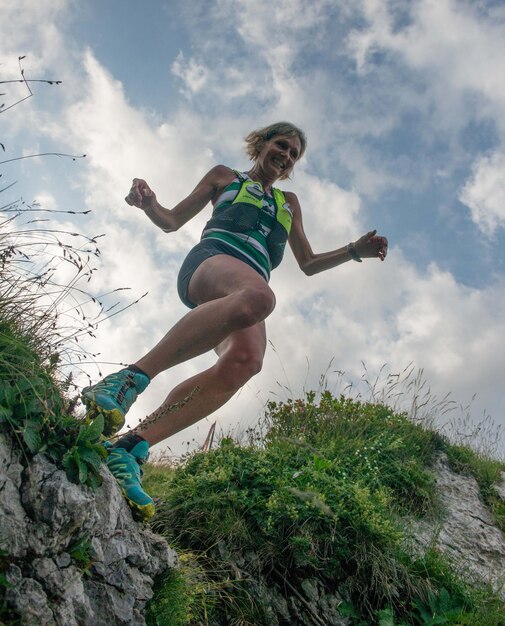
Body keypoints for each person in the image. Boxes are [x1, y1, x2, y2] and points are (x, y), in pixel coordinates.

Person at [82, 122, 388, 520]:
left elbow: (308, 264)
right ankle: (126, 381)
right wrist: (148, 203)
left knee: (244, 362)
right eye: (282, 145)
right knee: (259, 298)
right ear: (261, 144)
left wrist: (354, 250)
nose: (287, 155)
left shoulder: (289, 202)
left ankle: (130, 448)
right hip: (211, 260)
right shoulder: (224, 177)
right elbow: (172, 220)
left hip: (250, 282)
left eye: (295, 154)